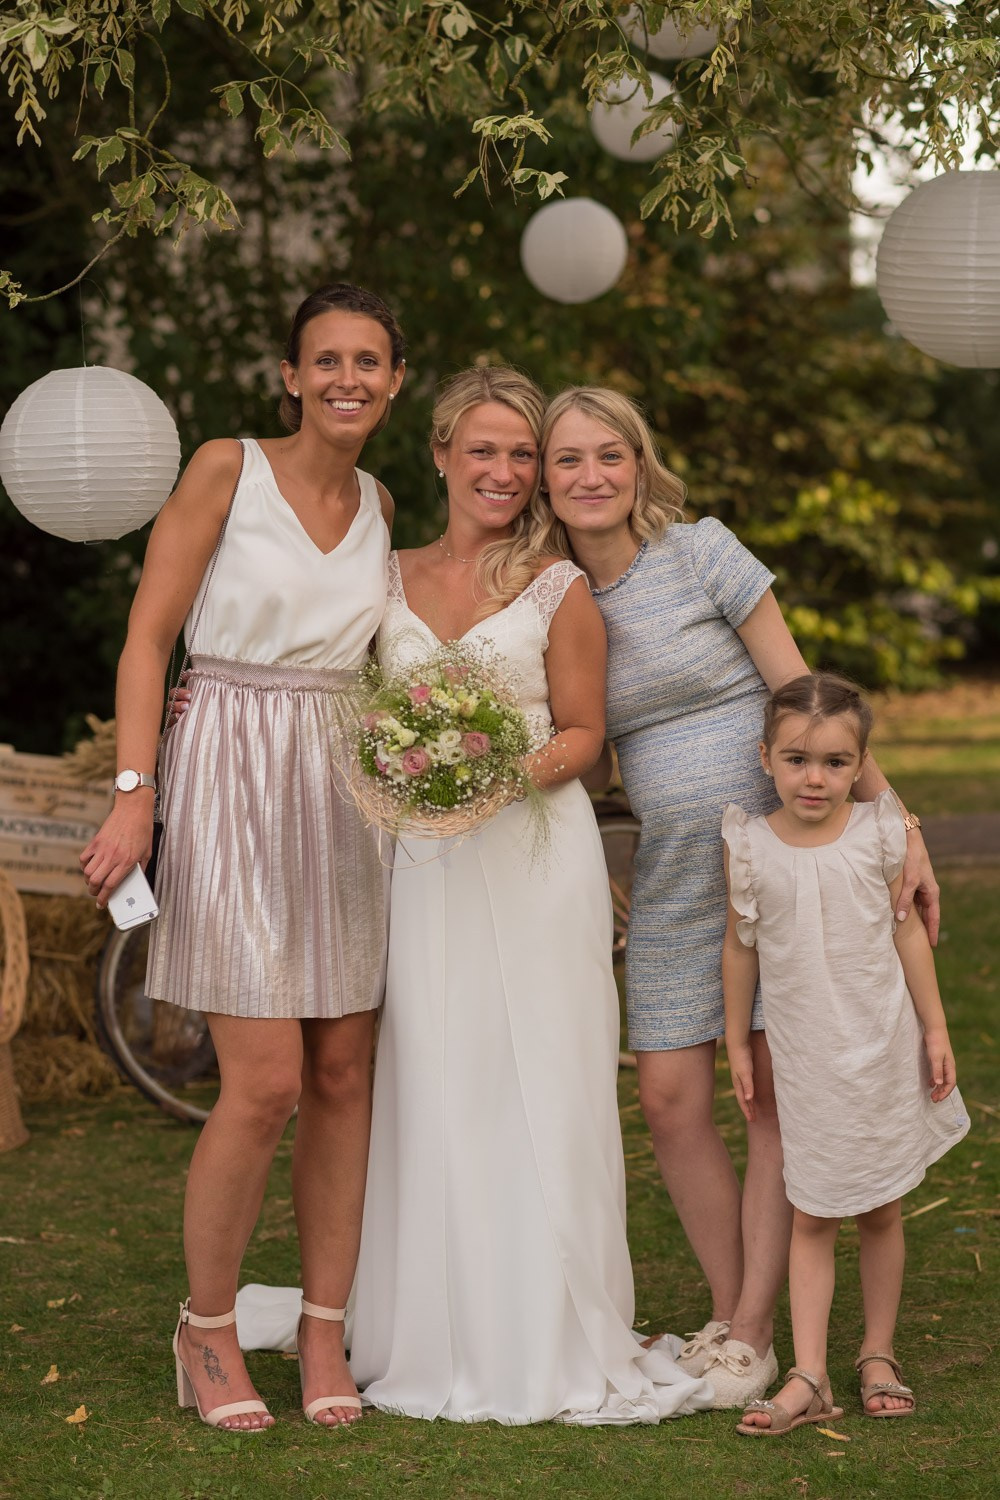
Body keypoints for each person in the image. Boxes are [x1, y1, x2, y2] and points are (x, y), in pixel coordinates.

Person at [533, 386, 942, 1408]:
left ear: (638, 464)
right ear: (542, 479)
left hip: (782, 872)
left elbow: (803, 696)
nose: (589, 475)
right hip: (675, 878)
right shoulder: (550, 597)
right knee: (670, 1100)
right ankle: (733, 1313)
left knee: (771, 1101)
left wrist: (902, 828)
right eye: (567, 458)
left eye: (609, 454)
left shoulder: (701, 551)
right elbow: (588, 751)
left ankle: (754, 1330)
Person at [343, 367, 713, 1423]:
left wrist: (491, 776)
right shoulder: (384, 576)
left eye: (520, 454)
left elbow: (586, 738)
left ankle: (547, 1327)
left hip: (537, 862)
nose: (503, 471)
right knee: (436, 1076)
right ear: (441, 456)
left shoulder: (559, 588)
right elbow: (352, 703)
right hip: (425, 868)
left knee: (546, 1082)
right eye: (484, 450)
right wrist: (409, 774)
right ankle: (434, 1324)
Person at [80, 283, 406, 1431]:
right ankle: (207, 1330)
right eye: (326, 360)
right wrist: (136, 797)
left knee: (343, 1076)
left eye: (367, 361)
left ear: (395, 382)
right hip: (226, 767)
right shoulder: (228, 468)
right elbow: (148, 638)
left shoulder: (380, 503)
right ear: (290, 376)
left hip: (342, 786)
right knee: (264, 1082)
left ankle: (323, 1328)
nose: (346, 379)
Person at [723, 672, 969, 1435]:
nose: (815, 778)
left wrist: (935, 1028)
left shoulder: (879, 832)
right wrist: (735, 1039)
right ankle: (809, 1374)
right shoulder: (750, 846)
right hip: (808, 1059)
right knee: (812, 1211)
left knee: (883, 1208)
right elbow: (739, 948)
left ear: (860, 765)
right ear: (765, 758)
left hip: (881, 1045)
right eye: (797, 759)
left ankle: (877, 1353)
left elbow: (906, 931)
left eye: (835, 762)